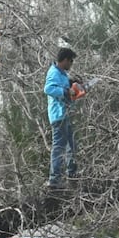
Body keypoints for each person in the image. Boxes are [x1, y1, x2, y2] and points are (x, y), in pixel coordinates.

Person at [43, 47, 79, 187]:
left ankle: (72, 173)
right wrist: (66, 91)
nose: (71, 64)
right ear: (64, 60)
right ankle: (54, 179)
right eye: (70, 61)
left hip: (65, 115)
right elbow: (48, 89)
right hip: (58, 116)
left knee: (71, 145)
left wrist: (72, 84)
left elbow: (64, 86)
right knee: (58, 147)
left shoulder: (62, 74)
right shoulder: (54, 72)